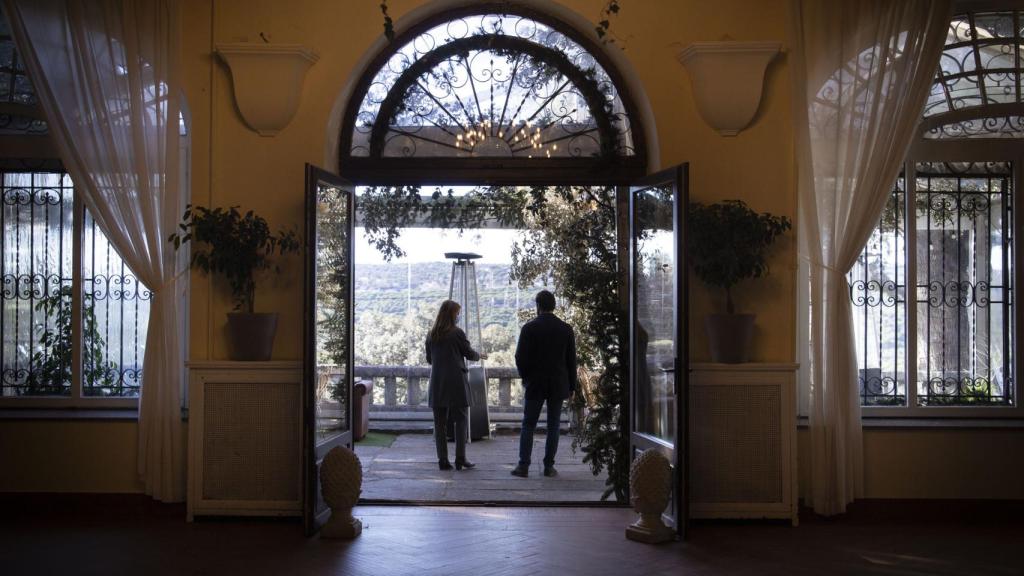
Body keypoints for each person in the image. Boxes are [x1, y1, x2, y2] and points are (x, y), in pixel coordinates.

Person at [511, 290, 577, 478]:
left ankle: (523, 466)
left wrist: (526, 378)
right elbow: (571, 360)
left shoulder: (529, 328)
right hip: (558, 383)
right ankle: (549, 467)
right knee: (554, 425)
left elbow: (520, 357)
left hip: (535, 383)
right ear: (553, 305)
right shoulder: (566, 329)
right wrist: (572, 386)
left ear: (538, 306)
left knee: (528, 424)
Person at [425, 300, 486, 471]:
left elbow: (430, 359)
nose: (458, 316)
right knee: (460, 420)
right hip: (456, 382)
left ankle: (443, 461)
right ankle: (461, 458)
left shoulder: (431, 334)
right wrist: (479, 355)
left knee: (439, 424)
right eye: (457, 313)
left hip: (437, 383)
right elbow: (468, 353)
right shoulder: (457, 333)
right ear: (452, 314)